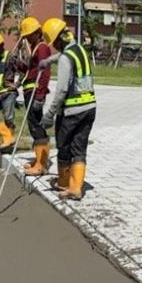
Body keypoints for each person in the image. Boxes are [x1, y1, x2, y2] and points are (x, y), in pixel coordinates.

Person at [39, 18, 96, 201]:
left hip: (72, 111)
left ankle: (64, 183)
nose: (54, 46)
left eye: (54, 43)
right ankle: (76, 188)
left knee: (64, 147)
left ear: (58, 40)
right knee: (79, 148)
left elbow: (62, 90)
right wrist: (48, 61)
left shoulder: (65, 58)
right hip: (89, 108)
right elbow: (64, 56)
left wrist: (49, 115)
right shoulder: (79, 49)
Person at [17, 16, 54, 177]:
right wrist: (18, 64)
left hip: (35, 92)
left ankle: (41, 164)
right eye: (25, 36)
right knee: (34, 126)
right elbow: (31, 70)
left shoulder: (42, 48)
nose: (27, 38)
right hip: (28, 90)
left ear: (37, 32)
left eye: (29, 35)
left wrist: (40, 95)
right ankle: (39, 159)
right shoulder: (34, 48)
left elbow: (44, 72)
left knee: (36, 127)